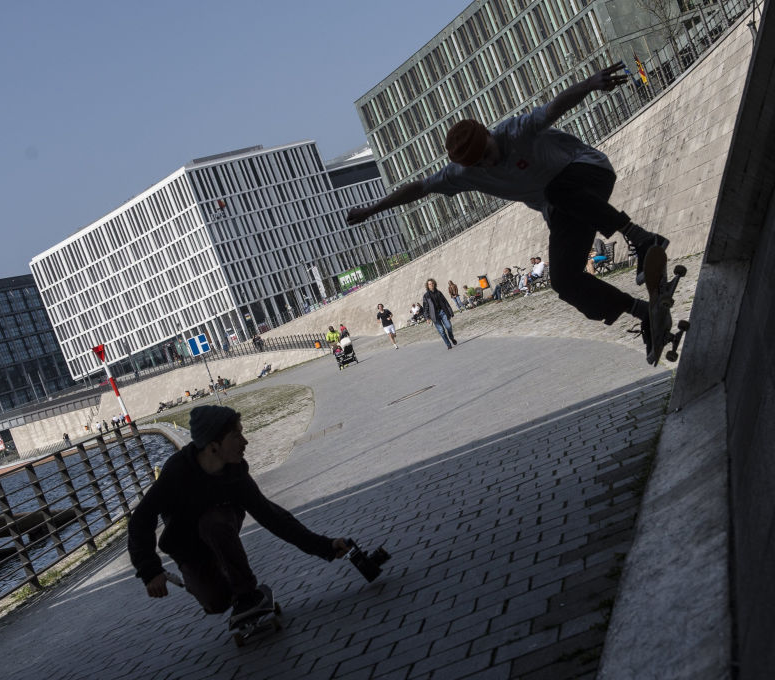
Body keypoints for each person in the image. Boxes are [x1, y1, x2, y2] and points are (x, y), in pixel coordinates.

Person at [347, 63, 667, 362]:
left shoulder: (516, 132)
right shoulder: (463, 173)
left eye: (487, 154)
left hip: (588, 172)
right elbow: (420, 187)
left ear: (489, 133)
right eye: (478, 163)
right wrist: (373, 209)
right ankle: (645, 312)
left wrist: (590, 84)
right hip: (563, 209)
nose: (488, 163)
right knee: (564, 281)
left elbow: (555, 107)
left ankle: (641, 238)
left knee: (554, 189)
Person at [127, 405, 349, 628]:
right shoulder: (177, 472)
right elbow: (140, 520)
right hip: (188, 547)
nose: (245, 442)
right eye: (237, 436)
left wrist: (325, 546)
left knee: (213, 523)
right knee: (216, 602)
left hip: (220, 528)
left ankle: (246, 594)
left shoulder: (235, 474)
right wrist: (151, 570)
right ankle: (229, 589)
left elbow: (272, 517)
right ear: (213, 447)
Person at [422, 279, 458, 349]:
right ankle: (448, 344)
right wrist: (427, 318)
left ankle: (451, 338)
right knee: (441, 331)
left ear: (434, 284)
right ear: (427, 286)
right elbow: (425, 307)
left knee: (449, 327)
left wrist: (450, 311)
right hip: (434, 315)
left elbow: (445, 302)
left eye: (432, 283)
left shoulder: (439, 293)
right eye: (429, 284)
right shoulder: (426, 296)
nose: (431, 285)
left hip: (443, 312)